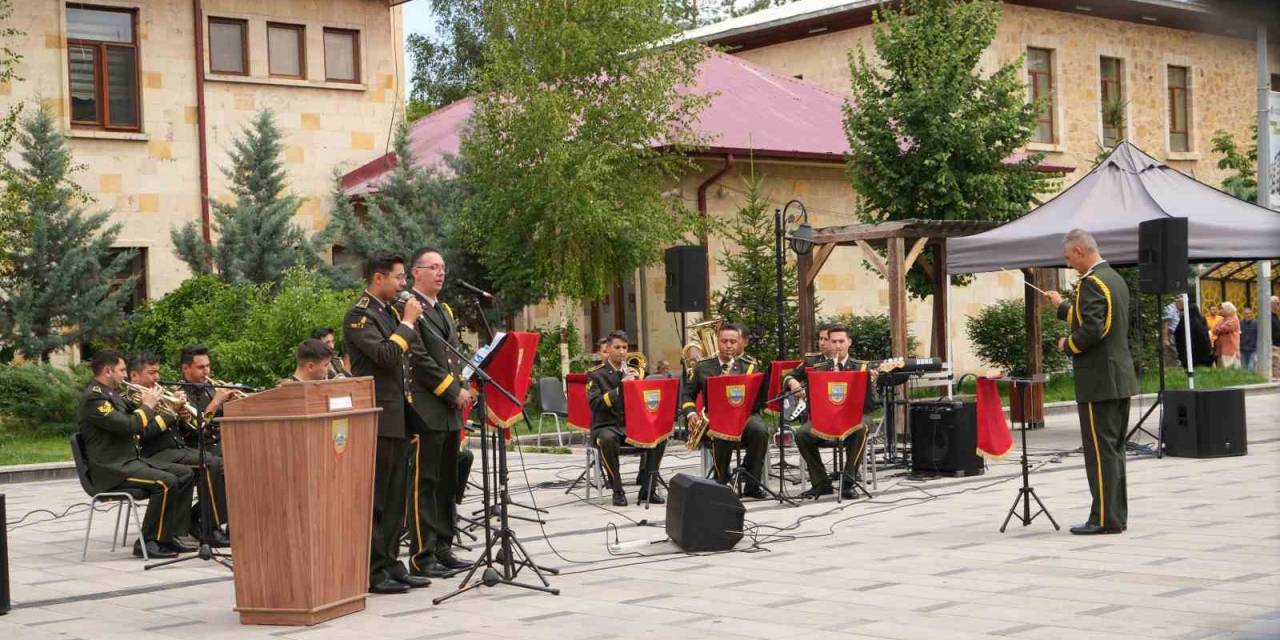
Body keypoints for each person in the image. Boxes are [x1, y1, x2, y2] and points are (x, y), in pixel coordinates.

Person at [343, 252, 430, 594]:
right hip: (377, 416)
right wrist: (407, 323)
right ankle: (374, 570)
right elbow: (386, 356)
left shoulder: (389, 311)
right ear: (378, 278)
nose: (404, 283)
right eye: (398, 277)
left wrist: (409, 322)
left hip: (399, 414)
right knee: (378, 497)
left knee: (396, 499)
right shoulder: (359, 316)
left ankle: (392, 563)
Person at [1044, 229, 1138, 535]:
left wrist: (1067, 345)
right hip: (1117, 379)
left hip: (1100, 381)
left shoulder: (1092, 282)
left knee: (1100, 452)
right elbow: (1096, 318)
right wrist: (1061, 306)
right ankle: (1114, 516)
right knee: (1113, 451)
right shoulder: (1113, 279)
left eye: (1069, 258)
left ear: (1081, 252)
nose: (1069, 264)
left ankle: (1103, 519)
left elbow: (1093, 329)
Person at [80, 350, 195, 559]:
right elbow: (127, 426)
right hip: (111, 469)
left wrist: (158, 408)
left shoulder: (112, 394)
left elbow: (137, 426)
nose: (125, 375)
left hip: (128, 461)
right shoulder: (94, 398)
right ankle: (148, 542)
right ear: (108, 371)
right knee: (166, 482)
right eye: (122, 370)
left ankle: (169, 536)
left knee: (185, 474)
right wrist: (148, 405)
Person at [401, 246, 473, 578]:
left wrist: (462, 386)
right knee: (425, 483)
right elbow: (418, 358)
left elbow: (452, 355)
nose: (441, 273)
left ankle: (444, 547)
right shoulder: (409, 307)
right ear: (416, 272)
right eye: (433, 267)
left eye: (443, 267)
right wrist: (452, 390)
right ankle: (422, 554)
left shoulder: (442, 309)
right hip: (427, 407)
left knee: (447, 481)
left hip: (449, 410)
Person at [128, 352, 229, 549]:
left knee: (216, 463)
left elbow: (192, 425)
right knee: (211, 464)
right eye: (151, 373)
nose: (157, 377)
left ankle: (188, 527)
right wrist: (171, 413)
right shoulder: (132, 396)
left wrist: (181, 413)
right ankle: (208, 527)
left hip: (175, 449)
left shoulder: (157, 392)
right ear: (134, 376)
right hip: (154, 454)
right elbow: (144, 433)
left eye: (157, 372)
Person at [784, 325, 873, 500]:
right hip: (824, 419)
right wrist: (793, 384)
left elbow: (869, 404)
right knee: (802, 434)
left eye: (841, 341)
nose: (838, 346)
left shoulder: (860, 367)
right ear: (828, 343)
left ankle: (848, 483)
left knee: (861, 428)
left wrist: (873, 382)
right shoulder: (818, 367)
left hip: (851, 419)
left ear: (849, 343)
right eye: (834, 341)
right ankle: (821, 483)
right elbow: (789, 379)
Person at [681, 324, 769, 499]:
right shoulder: (703, 367)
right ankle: (721, 482)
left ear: (740, 343)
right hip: (716, 417)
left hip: (744, 416)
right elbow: (687, 395)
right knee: (720, 432)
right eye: (724, 341)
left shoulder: (749, 366)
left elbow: (759, 400)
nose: (728, 345)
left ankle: (751, 483)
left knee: (760, 430)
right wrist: (691, 413)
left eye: (733, 342)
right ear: (717, 342)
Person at [587, 330, 666, 506]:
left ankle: (648, 489)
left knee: (660, 437)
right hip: (606, 425)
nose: (622, 352)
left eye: (624, 347)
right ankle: (617, 490)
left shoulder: (634, 371)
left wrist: (638, 385)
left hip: (630, 425)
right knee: (608, 439)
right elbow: (596, 405)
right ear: (608, 348)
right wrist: (620, 388)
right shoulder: (596, 374)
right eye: (617, 347)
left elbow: (643, 404)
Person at [178, 345, 235, 452]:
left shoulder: (212, 387)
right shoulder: (181, 395)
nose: (206, 371)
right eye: (201, 367)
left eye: (208, 366)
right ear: (185, 368)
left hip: (224, 438)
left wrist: (233, 404)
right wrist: (216, 402)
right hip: (203, 447)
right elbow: (199, 427)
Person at [1212, 302, 1241, 368]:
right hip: (1220, 350)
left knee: (1228, 370)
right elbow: (1214, 330)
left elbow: (1224, 328)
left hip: (1229, 351)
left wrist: (1218, 328)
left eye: (1222, 309)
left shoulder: (1234, 319)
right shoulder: (1222, 320)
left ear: (1228, 310)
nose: (1220, 311)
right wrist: (1218, 328)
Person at [1240, 307, 1258, 372]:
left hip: (1252, 350)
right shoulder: (1240, 324)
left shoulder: (1256, 323)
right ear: (1243, 314)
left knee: (1251, 368)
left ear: (1251, 314)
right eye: (1246, 313)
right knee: (1243, 368)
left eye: (1249, 313)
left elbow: (1258, 336)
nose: (1248, 315)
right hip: (1242, 350)